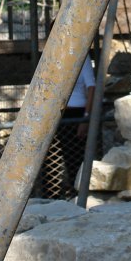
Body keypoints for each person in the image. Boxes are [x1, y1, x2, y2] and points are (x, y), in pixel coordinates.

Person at [43, 54, 95, 200]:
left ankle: (79, 195)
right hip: (58, 113)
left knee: (75, 157)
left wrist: (85, 118)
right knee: (55, 157)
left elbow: (92, 87)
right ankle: (55, 195)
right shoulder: (55, 55)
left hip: (76, 112)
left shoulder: (83, 57)